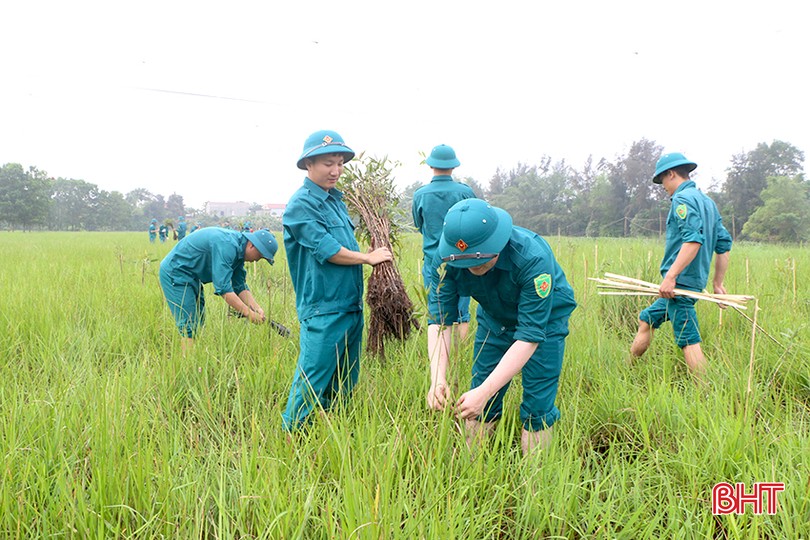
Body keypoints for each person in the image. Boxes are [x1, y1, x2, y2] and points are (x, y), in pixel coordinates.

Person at [425, 199, 577, 456]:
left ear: (498, 243)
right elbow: (440, 322)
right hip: (495, 320)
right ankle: (472, 468)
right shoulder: (446, 261)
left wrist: (484, 392)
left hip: (544, 324)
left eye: (482, 262)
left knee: (537, 404)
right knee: (479, 399)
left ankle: (535, 482)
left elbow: (529, 336)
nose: (474, 270)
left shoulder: (532, 257)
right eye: (467, 265)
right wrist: (437, 379)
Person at [281, 129, 392, 432]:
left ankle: (332, 435)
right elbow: (327, 250)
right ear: (308, 164)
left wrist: (367, 252)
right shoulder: (301, 205)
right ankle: (290, 437)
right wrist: (368, 259)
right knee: (312, 378)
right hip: (324, 308)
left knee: (344, 380)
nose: (335, 171)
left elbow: (345, 246)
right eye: (328, 163)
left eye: (340, 163)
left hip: (350, 305)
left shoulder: (335, 201)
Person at [630, 152, 732, 377]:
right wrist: (717, 283)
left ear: (671, 174)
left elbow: (693, 240)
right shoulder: (708, 203)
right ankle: (627, 368)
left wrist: (671, 277)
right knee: (646, 318)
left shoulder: (682, 200)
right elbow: (723, 244)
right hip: (692, 282)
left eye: (663, 181)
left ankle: (706, 391)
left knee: (688, 340)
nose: (663, 186)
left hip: (680, 285)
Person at [159, 227, 278, 352]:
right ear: (252, 245)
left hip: (192, 276)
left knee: (198, 320)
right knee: (189, 324)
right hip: (176, 272)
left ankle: (194, 359)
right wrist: (248, 313)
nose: (257, 260)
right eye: (260, 256)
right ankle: (187, 366)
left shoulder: (239, 250)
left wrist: (256, 308)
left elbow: (239, 286)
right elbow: (224, 289)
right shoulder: (227, 245)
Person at [412, 144, 476, 343]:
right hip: (462, 258)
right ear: (453, 167)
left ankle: (440, 355)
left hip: (433, 261)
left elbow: (418, 224)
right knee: (462, 311)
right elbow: (475, 223)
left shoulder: (420, 195)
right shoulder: (465, 192)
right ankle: (461, 354)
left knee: (436, 310)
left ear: (431, 165)